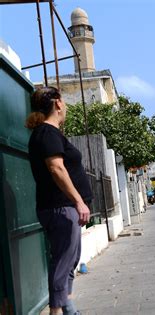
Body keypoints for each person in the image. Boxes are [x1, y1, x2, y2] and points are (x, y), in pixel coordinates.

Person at [26, 86, 92, 315]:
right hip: (60, 208)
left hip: (65, 209)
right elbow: (56, 169)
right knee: (62, 265)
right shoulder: (46, 133)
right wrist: (79, 201)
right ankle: (57, 312)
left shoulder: (50, 133)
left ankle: (69, 310)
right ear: (58, 103)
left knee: (70, 262)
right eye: (64, 100)